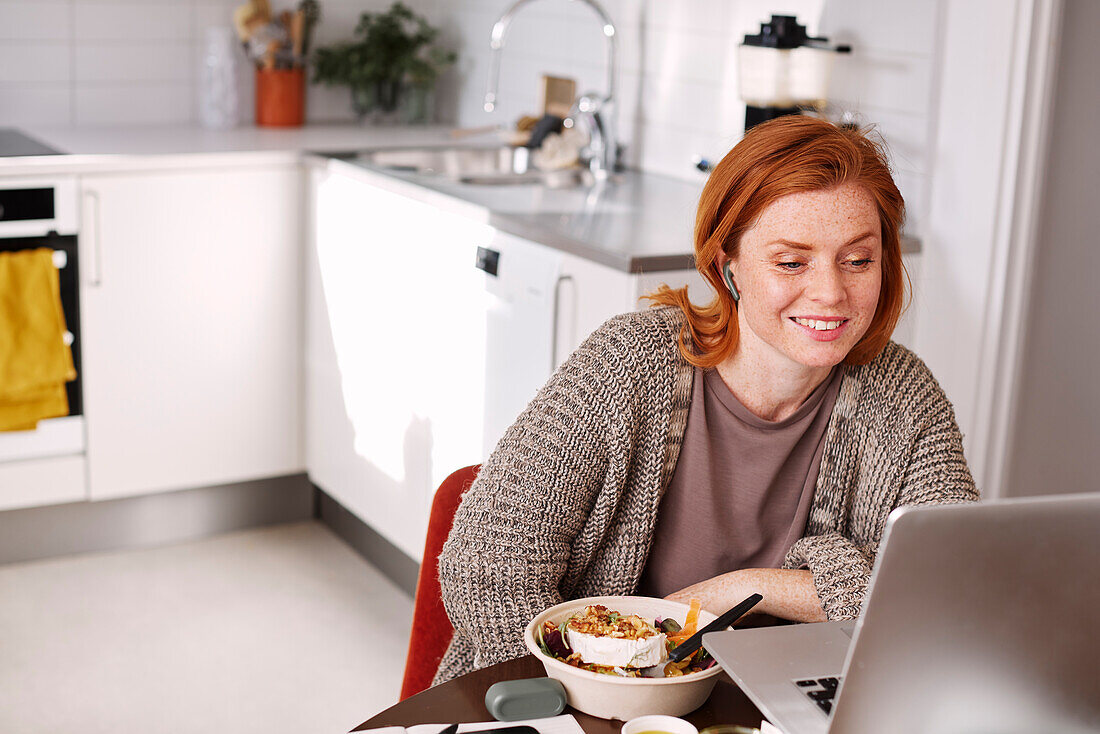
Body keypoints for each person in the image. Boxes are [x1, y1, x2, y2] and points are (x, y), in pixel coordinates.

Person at [433, 115, 978, 684]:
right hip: (574, 708)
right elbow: (487, 565)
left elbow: (950, 600)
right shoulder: (631, 363)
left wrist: (749, 587)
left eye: (858, 260)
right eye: (792, 262)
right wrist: (584, 694)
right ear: (727, 266)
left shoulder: (904, 398)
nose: (831, 293)